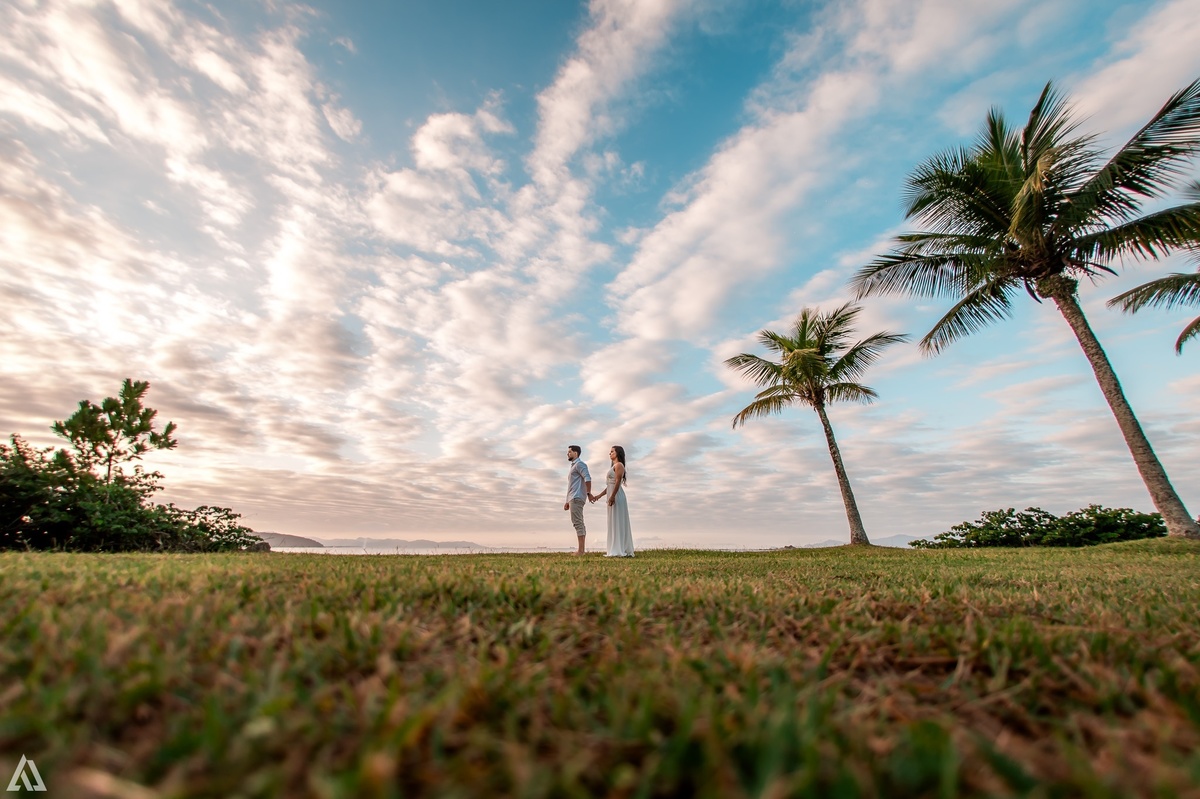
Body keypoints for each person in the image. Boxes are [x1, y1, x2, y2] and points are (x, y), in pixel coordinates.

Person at [589, 445, 634, 557]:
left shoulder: (619, 465)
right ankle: (614, 548)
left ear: (617, 453)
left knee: (617, 520)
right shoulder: (613, 466)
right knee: (612, 521)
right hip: (612, 495)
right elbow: (609, 485)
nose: (610, 453)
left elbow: (618, 482)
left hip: (617, 496)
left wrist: (613, 496)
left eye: (612, 452)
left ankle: (619, 549)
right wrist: (599, 496)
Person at [563, 445, 591, 556]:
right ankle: (581, 550)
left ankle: (580, 551)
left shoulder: (580, 464)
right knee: (578, 522)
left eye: (570, 452)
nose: (568, 453)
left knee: (578, 523)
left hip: (577, 497)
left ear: (576, 453)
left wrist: (588, 493)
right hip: (573, 497)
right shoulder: (573, 466)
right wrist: (567, 501)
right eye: (568, 452)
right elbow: (571, 485)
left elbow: (587, 478)